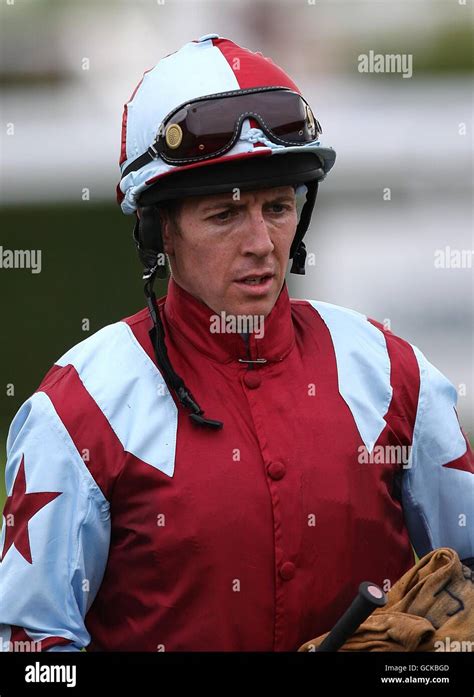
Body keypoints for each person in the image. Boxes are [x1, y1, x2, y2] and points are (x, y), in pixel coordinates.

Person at [0, 34, 472, 653]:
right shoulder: (76, 409)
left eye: (277, 206)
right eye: (224, 216)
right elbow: (32, 653)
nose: (260, 242)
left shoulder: (395, 373)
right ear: (157, 230)